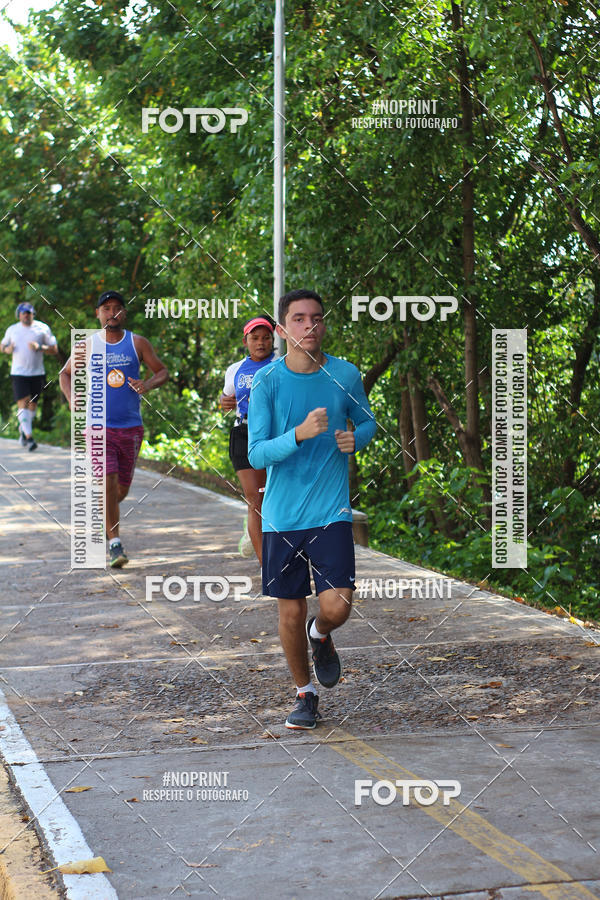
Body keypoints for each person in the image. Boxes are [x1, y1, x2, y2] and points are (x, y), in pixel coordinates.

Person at [248, 289, 376, 730]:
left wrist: (355, 439)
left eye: (317, 319)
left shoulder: (345, 374)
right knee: (289, 611)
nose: (310, 326)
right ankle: (305, 695)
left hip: (330, 511)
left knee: (338, 606)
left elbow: (367, 420)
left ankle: (321, 636)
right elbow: (257, 453)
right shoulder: (268, 383)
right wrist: (299, 434)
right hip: (282, 515)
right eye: (299, 319)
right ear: (283, 330)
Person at [59, 290, 168, 567]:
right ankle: (115, 544)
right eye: (106, 308)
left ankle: (107, 520)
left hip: (131, 427)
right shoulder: (87, 346)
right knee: (107, 483)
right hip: (98, 427)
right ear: (98, 314)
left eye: (117, 308)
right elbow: (65, 374)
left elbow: (162, 371)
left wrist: (148, 384)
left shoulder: (137, 343)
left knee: (119, 492)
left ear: (124, 314)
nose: (112, 313)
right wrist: (72, 400)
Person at [220, 316, 275, 563]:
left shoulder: (283, 365)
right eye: (255, 338)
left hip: (274, 435)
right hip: (244, 433)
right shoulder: (234, 370)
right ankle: (268, 568)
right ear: (246, 341)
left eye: (266, 338)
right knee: (255, 499)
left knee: (270, 497)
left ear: (273, 340)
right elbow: (226, 400)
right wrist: (224, 402)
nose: (261, 343)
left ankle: (270, 542)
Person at [1, 302, 58, 451]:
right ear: (19, 315)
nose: (26, 315)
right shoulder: (12, 329)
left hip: (37, 373)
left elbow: (54, 349)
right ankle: (29, 437)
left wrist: (40, 347)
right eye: (24, 313)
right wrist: (8, 349)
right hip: (19, 373)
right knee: (23, 402)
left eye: (29, 313)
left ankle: (24, 429)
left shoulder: (42, 328)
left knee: (32, 405)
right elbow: (2, 346)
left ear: (33, 314)